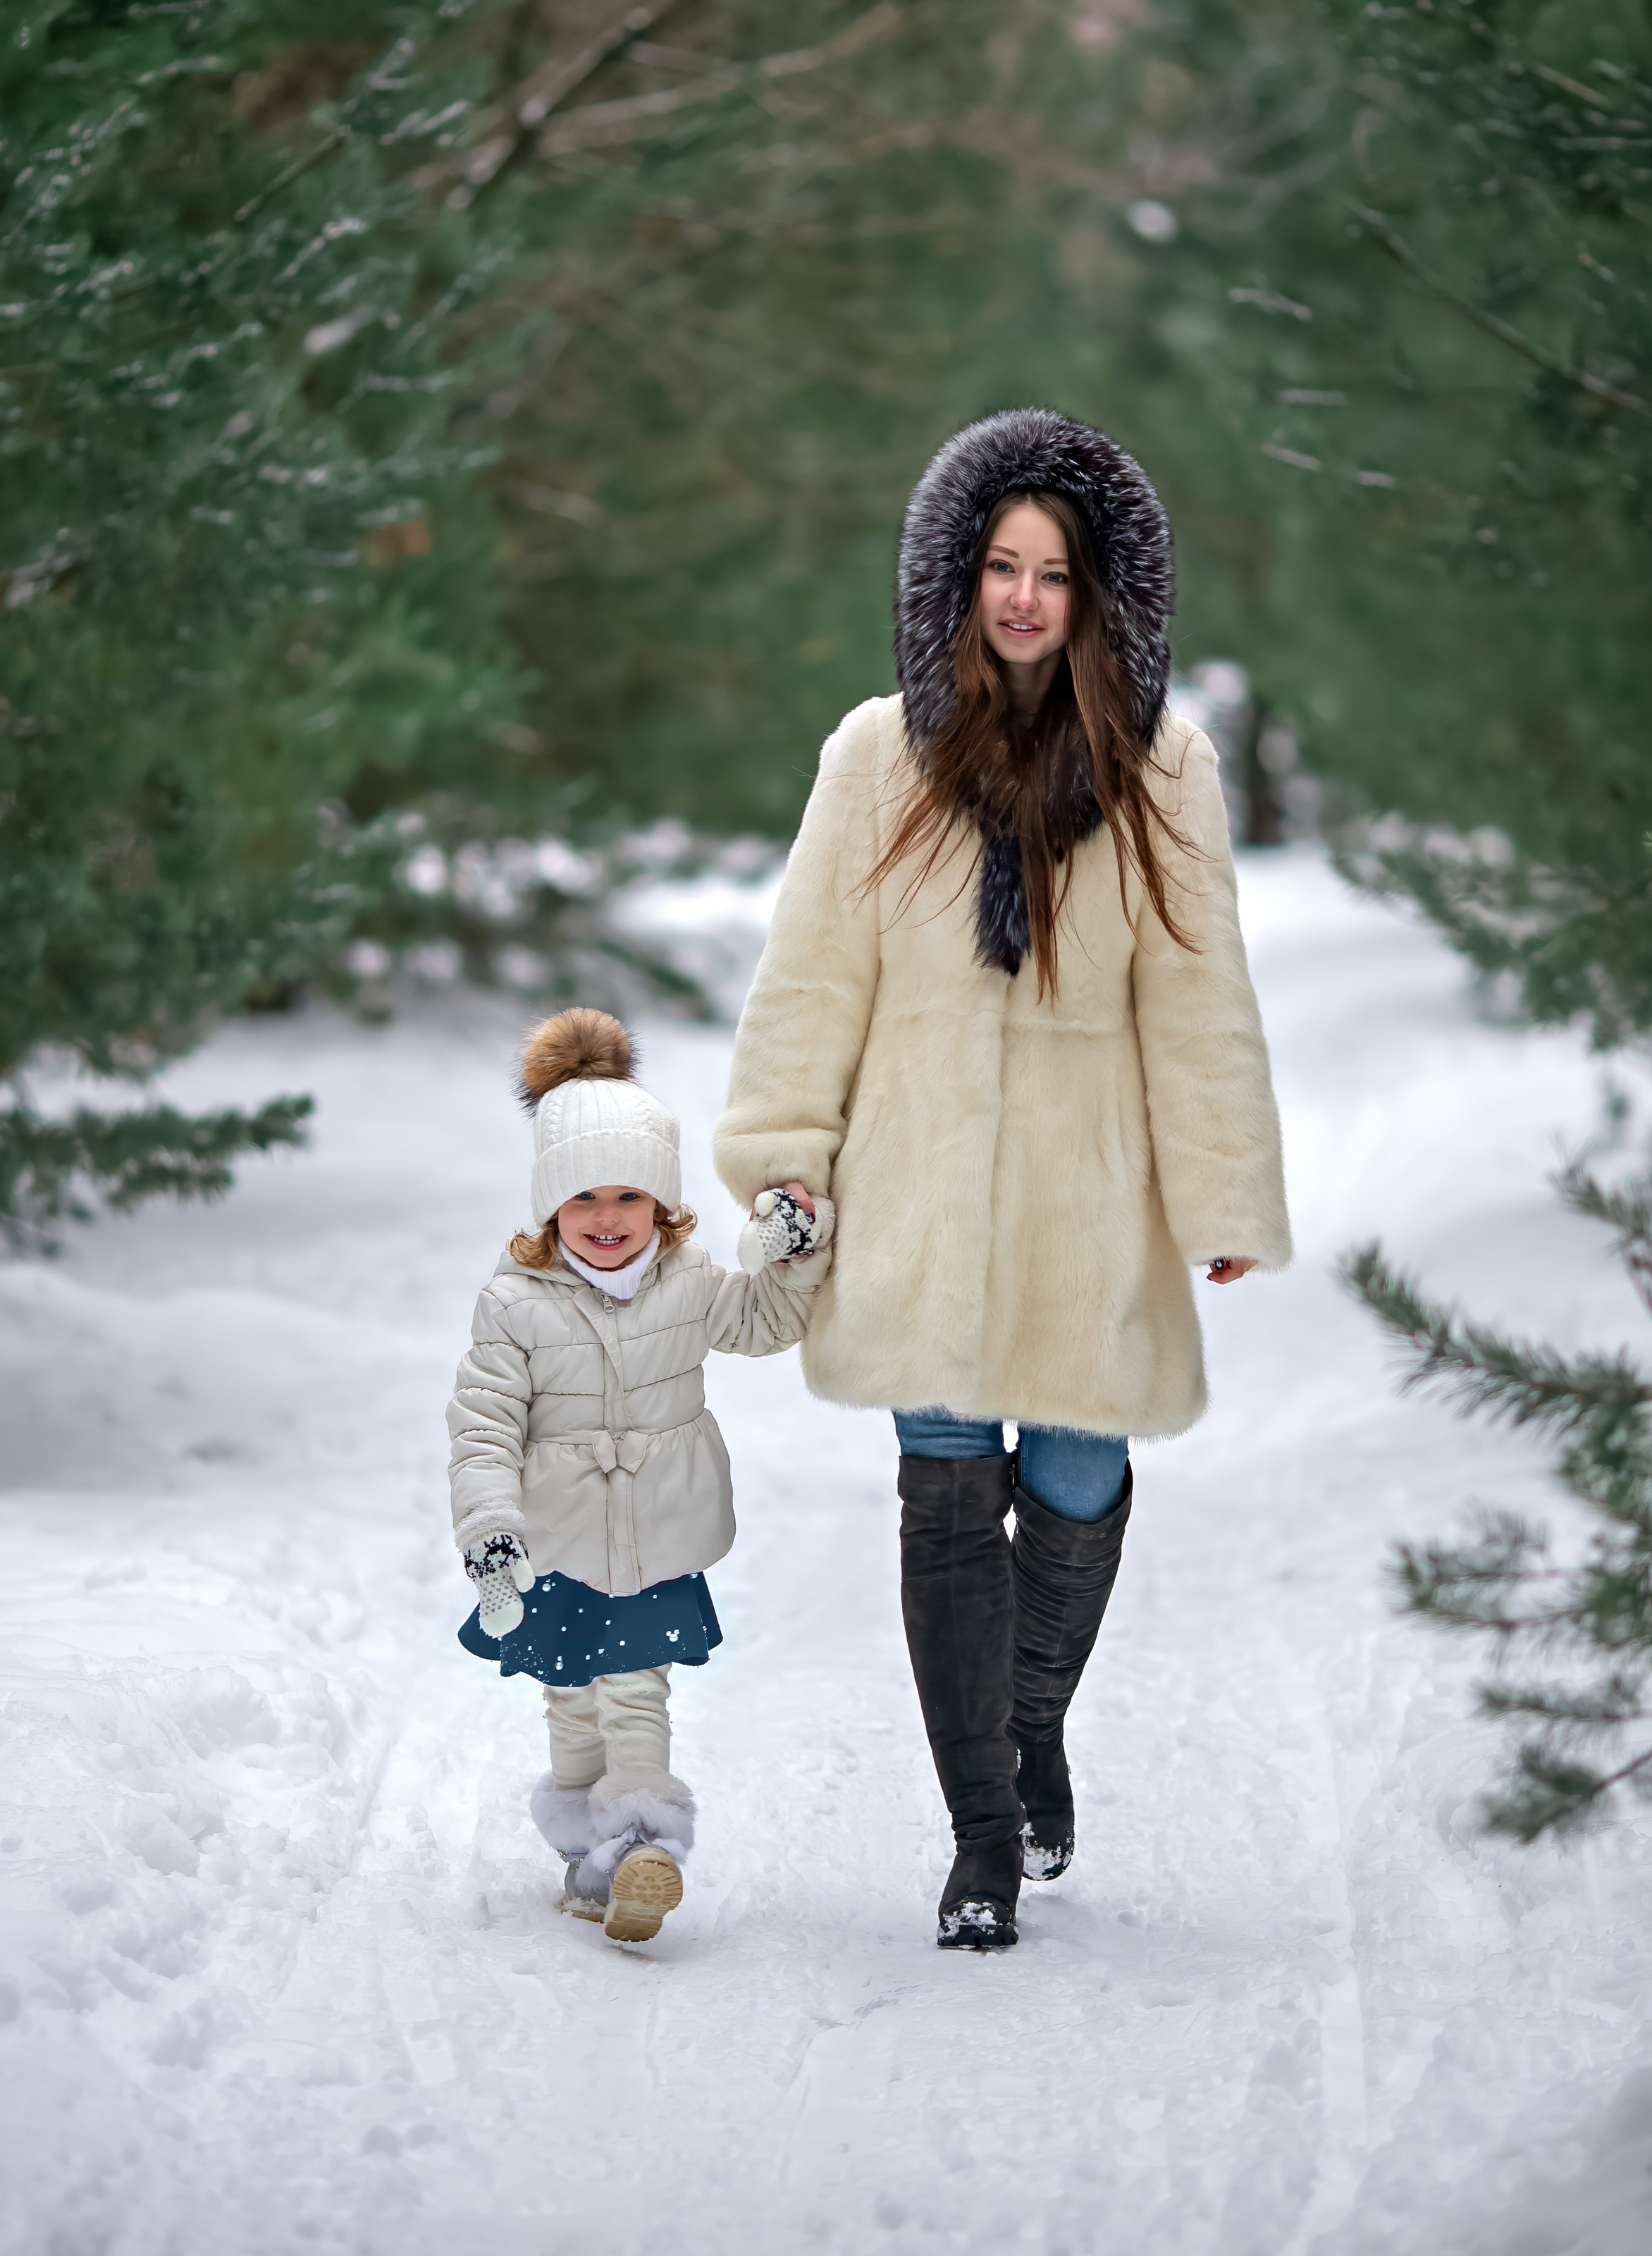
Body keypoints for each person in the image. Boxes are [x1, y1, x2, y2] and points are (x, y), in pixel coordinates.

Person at [713, 409, 1290, 1949]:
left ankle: (1029, 1731)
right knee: (947, 1500)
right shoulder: (872, 754)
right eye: (997, 565)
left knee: (1078, 1477)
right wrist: (786, 1161)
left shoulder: (1161, 764)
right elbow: (809, 980)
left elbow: (1197, 990)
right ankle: (981, 1832)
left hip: (1089, 1198)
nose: (1022, 596)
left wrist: (1220, 1190)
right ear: (952, 578)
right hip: (913, 1189)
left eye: (1052, 571)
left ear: (1101, 593)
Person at [448, 1007, 831, 1943]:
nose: (607, 1219)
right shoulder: (513, 1303)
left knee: (636, 1687)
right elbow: (483, 1425)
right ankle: (587, 1846)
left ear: (662, 1204)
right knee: (572, 1700)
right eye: (584, 1200)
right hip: (558, 1538)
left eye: (629, 1198)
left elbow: (764, 1322)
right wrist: (489, 1523)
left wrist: (791, 1256)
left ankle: (641, 1844)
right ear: (550, 1209)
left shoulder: (690, 1278)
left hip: (658, 1534)